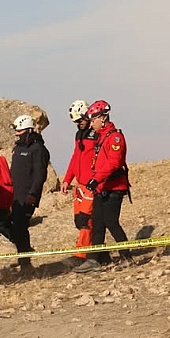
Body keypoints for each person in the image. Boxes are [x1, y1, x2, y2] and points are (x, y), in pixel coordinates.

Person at [74, 101, 133, 273]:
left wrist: (96, 179)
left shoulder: (115, 137)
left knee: (111, 222)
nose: (91, 124)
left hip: (114, 187)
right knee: (97, 223)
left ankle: (127, 256)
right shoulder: (102, 137)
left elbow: (113, 163)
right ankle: (94, 259)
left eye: (93, 120)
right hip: (102, 187)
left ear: (103, 118)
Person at [8, 114, 50, 271]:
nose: (16, 134)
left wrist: (33, 194)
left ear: (28, 130)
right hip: (14, 195)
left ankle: (25, 261)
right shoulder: (18, 148)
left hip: (27, 196)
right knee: (6, 224)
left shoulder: (38, 149)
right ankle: (23, 252)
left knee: (20, 227)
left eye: (19, 131)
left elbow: (40, 174)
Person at [60, 100, 98, 266]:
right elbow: (76, 157)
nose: (78, 123)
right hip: (79, 186)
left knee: (86, 219)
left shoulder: (97, 134)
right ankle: (90, 252)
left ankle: (82, 254)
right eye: (76, 122)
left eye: (80, 120)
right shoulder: (79, 135)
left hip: (91, 185)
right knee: (79, 221)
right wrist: (67, 179)